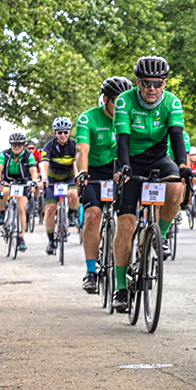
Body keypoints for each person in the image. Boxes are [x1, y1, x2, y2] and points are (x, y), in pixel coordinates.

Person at [111, 56, 192, 312]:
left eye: (157, 83)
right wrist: (124, 167)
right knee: (125, 224)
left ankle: (162, 234)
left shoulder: (172, 102)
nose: (152, 89)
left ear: (164, 83)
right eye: (146, 83)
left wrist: (183, 166)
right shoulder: (124, 101)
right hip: (130, 161)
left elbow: (177, 138)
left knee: (177, 185)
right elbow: (122, 139)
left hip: (158, 158)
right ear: (138, 82)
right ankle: (120, 287)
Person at [76, 76, 132, 293]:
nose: (121, 107)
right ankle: (91, 271)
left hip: (120, 169)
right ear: (106, 100)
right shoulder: (88, 118)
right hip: (94, 171)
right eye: (117, 101)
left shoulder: (129, 117)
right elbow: (82, 150)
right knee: (92, 216)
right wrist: (82, 173)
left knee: (128, 219)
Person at [40, 117, 80, 254]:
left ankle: (71, 214)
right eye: (59, 132)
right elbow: (44, 163)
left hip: (69, 178)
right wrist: (44, 178)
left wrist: (77, 177)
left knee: (74, 194)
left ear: (69, 132)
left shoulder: (74, 145)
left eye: (65, 132)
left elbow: (76, 163)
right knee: (50, 210)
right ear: (55, 133)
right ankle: (51, 240)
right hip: (52, 179)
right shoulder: (49, 146)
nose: (63, 135)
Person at [0, 133, 39, 251]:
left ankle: (20, 237)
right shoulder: (4, 154)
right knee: (3, 191)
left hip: (22, 183)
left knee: (21, 208)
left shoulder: (28, 155)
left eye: (19, 145)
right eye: (14, 145)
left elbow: (33, 170)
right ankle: (2, 211)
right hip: (8, 181)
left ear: (23, 145)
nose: (17, 147)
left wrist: (34, 181)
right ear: (10, 145)